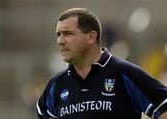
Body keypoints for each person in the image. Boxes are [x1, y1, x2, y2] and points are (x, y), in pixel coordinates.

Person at [36, 8, 167, 119]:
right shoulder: (56, 84)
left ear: (91, 37)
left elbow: (163, 106)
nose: (60, 41)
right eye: (58, 35)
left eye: (67, 34)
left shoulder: (125, 73)